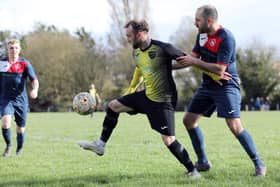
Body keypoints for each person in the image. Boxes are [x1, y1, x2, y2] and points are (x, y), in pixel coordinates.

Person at [78, 20, 201, 179]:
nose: (127, 39)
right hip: (146, 96)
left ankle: (193, 171)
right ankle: (100, 145)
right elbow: (140, 70)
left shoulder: (163, 48)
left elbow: (190, 60)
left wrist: (214, 73)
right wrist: (131, 90)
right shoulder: (136, 52)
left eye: (129, 36)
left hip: (163, 101)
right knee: (113, 106)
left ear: (141, 34)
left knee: (168, 140)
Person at [176, 5, 266, 177]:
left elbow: (219, 69)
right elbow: (192, 58)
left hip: (227, 86)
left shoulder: (227, 38)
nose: (195, 23)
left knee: (234, 126)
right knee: (189, 120)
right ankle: (203, 162)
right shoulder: (201, 35)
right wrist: (165, 66)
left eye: (198, 20)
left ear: (209, 21)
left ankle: (259, 164)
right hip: (208, 86)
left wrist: (193, 62)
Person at [0, 39, 39, 157]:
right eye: (11, 48)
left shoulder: (24, 63)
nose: (14, 50)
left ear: (20, 49)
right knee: (5, 122)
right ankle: (9, 145)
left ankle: (19, 148)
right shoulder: (1, 63)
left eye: (16, 48)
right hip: (5, 99)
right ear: (7, 49)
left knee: (20, 129)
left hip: (21, 100)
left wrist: (35, 89)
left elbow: (34, 80)